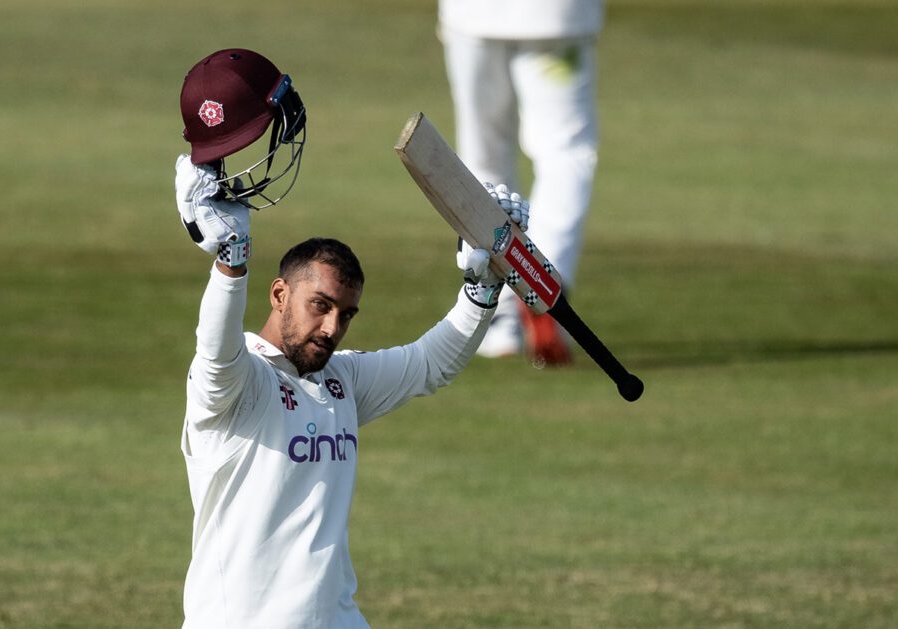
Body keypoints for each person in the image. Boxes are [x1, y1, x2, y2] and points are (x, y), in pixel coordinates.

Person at [173, 49, 529, 628]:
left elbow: (429, 364)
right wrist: (231, 261)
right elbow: (215, 353)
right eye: (320, 306)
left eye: (345, 314)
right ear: (279, 294)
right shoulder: (236, 388)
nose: (332, 329)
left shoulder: (340, 381)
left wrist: (481, 286)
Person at [438, 0, 604, 365]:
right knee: (565, 151)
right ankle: (544, 283)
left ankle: (497, 317)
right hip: (557, 17)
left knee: (484, 160)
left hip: (473, 15)